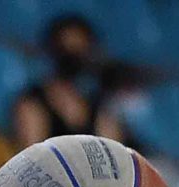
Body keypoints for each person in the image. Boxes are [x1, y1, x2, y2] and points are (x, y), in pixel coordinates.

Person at [9, 15, 123, 146]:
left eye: (79, 50)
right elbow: (31, 153)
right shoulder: (32, 102)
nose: (74, 58)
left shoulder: (99, 108)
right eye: (67, 50)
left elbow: (112, 152)